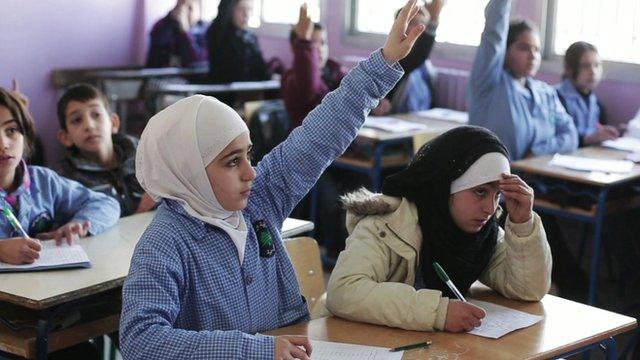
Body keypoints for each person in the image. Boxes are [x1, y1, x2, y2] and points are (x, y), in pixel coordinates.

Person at [119, 1, 425, 359]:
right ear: (189, 170)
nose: (250, 171)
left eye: (248, 155)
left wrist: (385, 61)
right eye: (232, 162)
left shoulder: (259, 198)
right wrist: (253, 350)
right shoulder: (166, 242)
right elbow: (141, 341)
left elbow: (321, 133)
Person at [325, 126, 551, 332]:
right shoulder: (385, 225)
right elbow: (344, 291)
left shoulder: (483, 236)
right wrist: (437, 312)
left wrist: (523, 223)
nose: (490, 208)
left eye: (497, 195)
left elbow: (527, 290)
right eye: (480, 192)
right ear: (445, 187)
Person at [0, 86, 119, 265]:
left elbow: (106, 204)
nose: (4, 144)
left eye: (12, 130)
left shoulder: (44, 181)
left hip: (47, 289)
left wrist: (78, 224)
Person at [468, 0, 578, 160]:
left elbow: (570, 136)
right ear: (504, 52)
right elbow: (494, 34)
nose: (532, 55)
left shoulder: (546, 93)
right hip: (493, 181)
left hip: (534, 180)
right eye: (524, 48)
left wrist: (538, 151)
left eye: (537, 49)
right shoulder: (490, 82)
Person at [55, 84, 156, 217]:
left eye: (96, 115)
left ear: (113, 123)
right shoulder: (65, 180)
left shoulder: (142, 152)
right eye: (77, 120)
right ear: (66, 137)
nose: (89, 126)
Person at [556, 41, 619, 146]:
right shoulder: (555, 98)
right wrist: (588, 139)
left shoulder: (597, 104)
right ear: (568, 68)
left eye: (597, 65)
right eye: (585, 66)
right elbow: (556, 136)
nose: (593, 72)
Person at [206, 0, 270, 84]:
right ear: (229, 9)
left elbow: (261, 69)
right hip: (224, 91)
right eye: (241, 9)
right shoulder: (217, 33)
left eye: (249, 9)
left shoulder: (250, 36)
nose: (246, 14)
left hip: (250, 90)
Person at [146, 0, 208, 68]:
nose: (184, 13)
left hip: (191, 77)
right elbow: (157, 41)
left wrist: (185, 31)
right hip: (163, 76)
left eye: (190, 8)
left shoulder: (206, 30)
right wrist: (169, 18)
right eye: (180, 7)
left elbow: (197, 62)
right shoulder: (165, 26)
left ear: (199, 11)